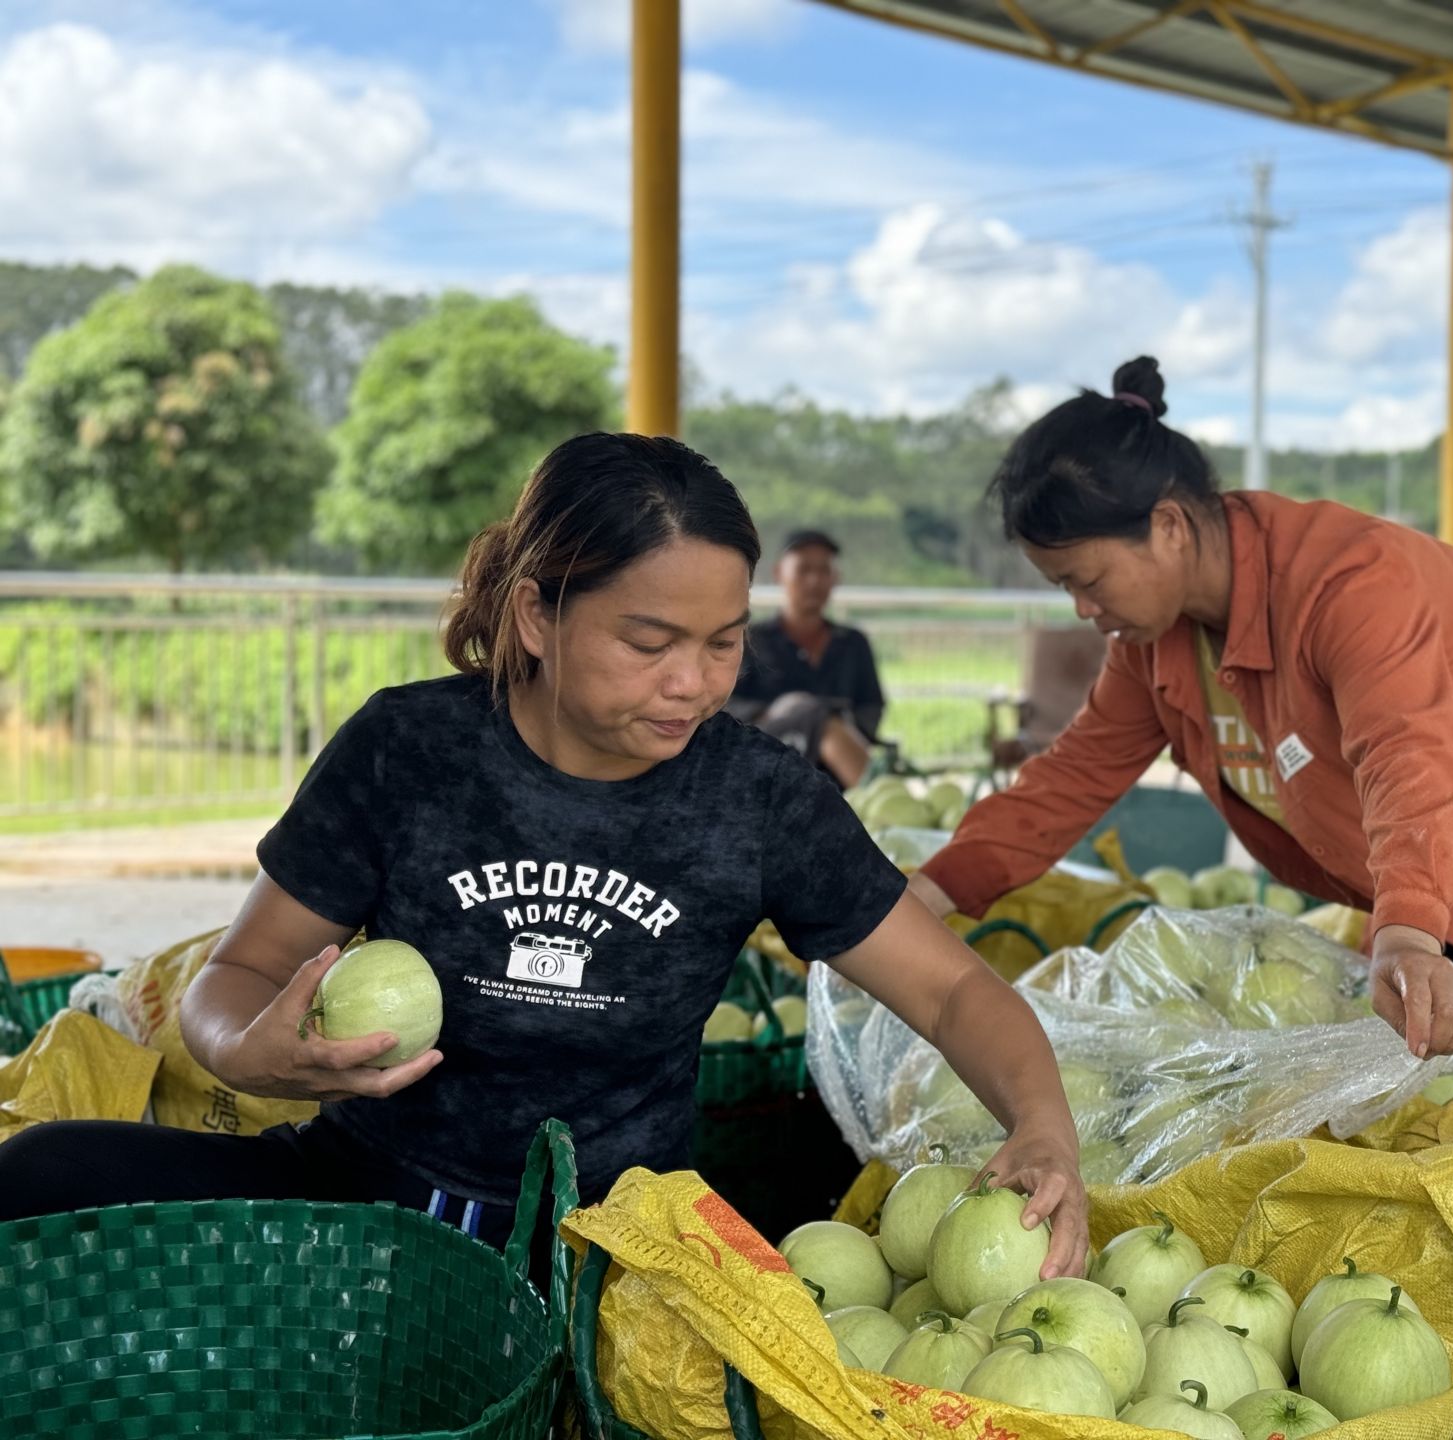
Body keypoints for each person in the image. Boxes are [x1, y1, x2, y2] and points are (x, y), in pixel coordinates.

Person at [0, 433, 1088, 1279]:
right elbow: (237, 977)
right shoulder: (409, 747)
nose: (695, 685)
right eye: (650, 643)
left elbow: (950, 993)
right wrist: (250, 1053)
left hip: (614, 1242)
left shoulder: (758, 798)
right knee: (45, 1177)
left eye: (723, 644)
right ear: (535, 614)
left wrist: (1041, 1126)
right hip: (367, 1194)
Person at [908, 357, 1453, 1058]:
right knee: (1442, 1075)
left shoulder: (1347, 582)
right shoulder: (1154, 646)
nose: (1082, 608)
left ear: (1169, 526)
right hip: (1449, 831)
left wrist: (1404, 934)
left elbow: (1405, 754)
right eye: (1064, 589)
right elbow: (1067, 783)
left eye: (1086, 580)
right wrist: (921, 898)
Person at [727, 529, 886, 789]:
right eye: (804, 569)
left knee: (817, 715)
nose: (815, 580)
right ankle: (878, 799)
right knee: (807, 710)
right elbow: (729, 705)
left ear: (836, 578)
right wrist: (795, 717)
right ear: (779, 573)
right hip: (771, 764)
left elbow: (871, 707)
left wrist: (836, 727)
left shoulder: (853, 643)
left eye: (824, 570)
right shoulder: (749, 640)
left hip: (839, 769)